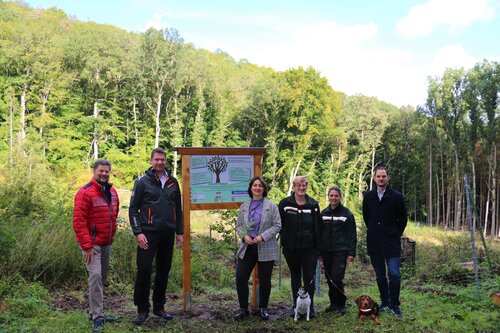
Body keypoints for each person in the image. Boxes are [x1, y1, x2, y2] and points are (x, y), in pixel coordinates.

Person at [129, 147, 184, 325]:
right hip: (148, 234)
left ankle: (159, 307)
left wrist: (180, 233)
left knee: (163, 271)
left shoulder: (173, 182)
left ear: (166, 161)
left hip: (168, 233)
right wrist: (138, 233)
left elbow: (178, 210)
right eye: (156, 159)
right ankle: (142, 309)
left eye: (162, 159)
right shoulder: (142, 182)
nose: (160, 162)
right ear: (151, 161)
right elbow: (133, 209)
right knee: (144, 270)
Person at [73, 159, 120, 332]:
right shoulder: (84, 193)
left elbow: (114, 214)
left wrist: (111, 235)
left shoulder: (113, 192)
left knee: (103, 278)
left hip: (106, 242)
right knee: (96, 277)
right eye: (101, 171)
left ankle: (95, 310)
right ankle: (97, 317)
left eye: (107, 171)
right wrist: (86, 245)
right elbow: (79, 221)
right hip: (91, 245)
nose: (104, 174)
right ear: (94, 171)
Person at [362, 166, 407, 318]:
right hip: (375, 243)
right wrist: (375, 231)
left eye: (383, 176)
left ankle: (394, 305)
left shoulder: (396, 196)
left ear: (388, 178)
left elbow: (403, 219)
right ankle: (385, 303)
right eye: (378, 176)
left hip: (391, 243)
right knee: (380, 276)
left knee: (394, 275)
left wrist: (394, 234)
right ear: (374, 178)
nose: (381, 179)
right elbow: (367, 217)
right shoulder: (368, 196)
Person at [234, 176, 281, 321]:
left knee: (265, 279)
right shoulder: (244, 206)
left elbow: (277, 225)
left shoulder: (271, 206)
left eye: (260, 186)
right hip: (248, 247)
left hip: (265, 246)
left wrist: (262, 236)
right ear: (251, 188)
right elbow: (239, 226)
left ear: (264, 189)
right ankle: (243, 309)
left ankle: (263, 308)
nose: (257, 188)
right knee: (241, 277)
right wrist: (244, 236)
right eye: (255, 185)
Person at [278, 176, 321, 318]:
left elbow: (318, 227)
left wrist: (318, 249)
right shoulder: (285, 203)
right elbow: (280, 225)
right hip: (291, 248)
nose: (301, 188)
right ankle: (296, 306)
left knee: (309, 277)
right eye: (298, 185)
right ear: (294, 186)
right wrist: (284, 241)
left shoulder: (313, 205)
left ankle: (310, 307)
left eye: (304, 186)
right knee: (295, 277)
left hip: (310, 248)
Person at [318, 186, 357, 315]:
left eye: (336, 195)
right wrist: (319, 253)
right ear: (328, 197)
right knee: (329, 278)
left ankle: (341, 304)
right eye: (331, 195)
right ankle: (333, 303)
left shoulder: (347, 214)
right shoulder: (323, 213)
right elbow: (319, 233)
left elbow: (352, 234)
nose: (333, 198)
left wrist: (351, 253)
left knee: (337, 277)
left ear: (340, 197)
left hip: (341, 251)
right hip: (326, 251)